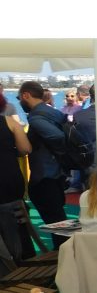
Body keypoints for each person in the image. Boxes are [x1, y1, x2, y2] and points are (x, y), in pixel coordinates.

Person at [19, 81, 69, 235]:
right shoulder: (53, 112)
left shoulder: (35, 118)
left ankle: (62, 247)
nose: (19, 102)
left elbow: (57, 136)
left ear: (26, 95)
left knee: (56, 221)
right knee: (59, 219)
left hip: (45, 175)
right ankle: (63, 246)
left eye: (19, 98)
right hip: (56, 172)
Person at [0, 91, 33, 262]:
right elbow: (25, 149)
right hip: (8, 177)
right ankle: (25, 260)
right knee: (19, 224)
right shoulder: (9, 122)